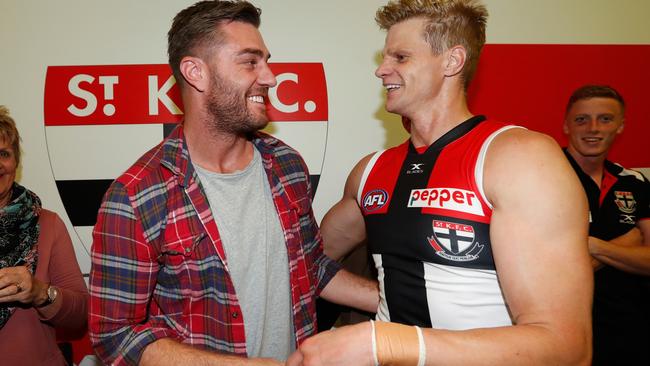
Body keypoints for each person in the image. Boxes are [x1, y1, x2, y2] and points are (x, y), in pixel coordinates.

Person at [287, 0, 593, 365]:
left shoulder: (518, 158)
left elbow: (567, 347)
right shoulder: (371, 171)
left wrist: (387, 343)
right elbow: (307, 262)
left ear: (452, 61)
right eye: (384, 58)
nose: (382, 70)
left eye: (400, 57)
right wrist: (384, 300)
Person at [88, 1, 377, 365]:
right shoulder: (136, 196)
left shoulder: (286, 165)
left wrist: (396, 301)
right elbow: (115, 336)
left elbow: (312, 267)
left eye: (266, 61)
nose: (270, 77)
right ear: (196, 72)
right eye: (250, 61)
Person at [562, 85, 650, 365]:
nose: (593, 128)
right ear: (566, 125)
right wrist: (629, 241)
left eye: (605, 119)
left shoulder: (633, 182)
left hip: (630, 329)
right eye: (581, 119)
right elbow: (555, 271)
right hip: (567, 327)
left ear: (621, 126)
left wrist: (591, 245)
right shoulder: (545, 173)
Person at [0, 105, 89, 365]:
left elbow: (81, 314)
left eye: (3, 153)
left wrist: (39, 293)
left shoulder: (47, 225)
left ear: (15, 161)